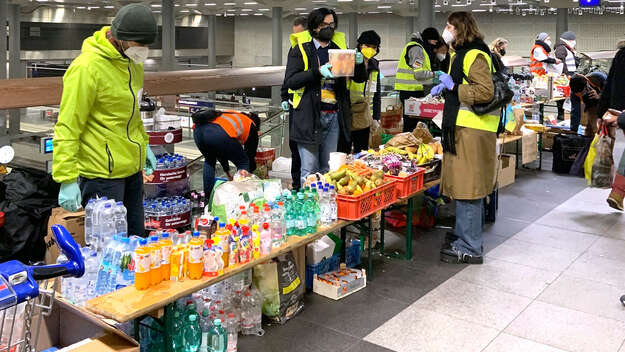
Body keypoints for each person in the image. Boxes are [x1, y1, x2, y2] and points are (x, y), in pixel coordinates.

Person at [52, 4, 157, 236]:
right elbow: (68, 126)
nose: (143, 49)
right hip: (102, 174)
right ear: (121, 38)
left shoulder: (132, 64)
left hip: (131, 170)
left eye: (146, 44)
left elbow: (133, 114)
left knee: (136, 241)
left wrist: (144, 145)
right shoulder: (87, 67)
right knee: (108, 251)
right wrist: (67, 178)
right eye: (139, 44)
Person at [430, 11, 497, 264]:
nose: (445, 30)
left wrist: (453, 87)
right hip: (462, 128)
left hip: (474, 129)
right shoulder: (459, 54)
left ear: (461, 29)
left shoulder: (475, 54)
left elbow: (485, 91)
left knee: (469, 187)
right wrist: (446, 88)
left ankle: (470, 246)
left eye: (450, 26)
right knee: (463, 184)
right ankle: (463, 234)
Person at [283, 7, 367, 185]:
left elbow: (359, 78)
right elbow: (291, 81)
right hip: (309, 116)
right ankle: (309, 208)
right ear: (314, 28)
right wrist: (317, 72)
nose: (329, 28)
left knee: (329, 169)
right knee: (309, 169)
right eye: (324, 25)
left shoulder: (339, 50)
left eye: (331, 24)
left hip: (334, 115)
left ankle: (325, 208)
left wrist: (359, 64)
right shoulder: (301, 50)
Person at [192, 109, 260, 197]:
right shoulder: (251, 124)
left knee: (209, 160)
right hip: (217, 132)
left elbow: (221, 151)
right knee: (243, 162)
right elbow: (250, 155)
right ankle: (241, 196)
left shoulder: (232, 114)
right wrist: (251, 174)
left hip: (198, 131)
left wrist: (228, 173)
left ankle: (208, 197)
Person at [396, 31, 445, 133]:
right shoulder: (417, 49)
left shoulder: (417, 48)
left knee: (415, 126)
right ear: (427, 40)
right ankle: (409, 146)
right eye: (433, 42)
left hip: (411, 91)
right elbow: (418, 74)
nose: (434, 45)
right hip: (410, 92)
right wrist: (435, 74)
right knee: (412, 127)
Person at [281, 16, 308, 189]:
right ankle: (297, 183)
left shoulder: (310, 49)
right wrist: (284, 97)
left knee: (304, 149)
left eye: (299, 34)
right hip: (294, 105)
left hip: (307, 107)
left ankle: (304, 184)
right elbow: (288, 77)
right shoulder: (295, 48)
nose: (296, 37)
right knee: (294, 146)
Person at [598, 39, 625, 211]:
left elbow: (608, 85)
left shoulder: (621, 55)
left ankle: (617, 192)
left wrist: (602, 112)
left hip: (618, 111)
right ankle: (617, 192)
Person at [348, 30, 382, 153]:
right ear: (360, 45)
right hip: (348, 112)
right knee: (345, 151)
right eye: (367, 46)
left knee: (361, 152)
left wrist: (376, 117)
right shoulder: (349, 60)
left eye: (374, 47)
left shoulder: (374, 65)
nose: (370, 49)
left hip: (365, 115)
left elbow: (376, 93)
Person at [569, 72, 607, 136]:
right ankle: (588, 139)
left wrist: (600, 96)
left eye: (582, 92)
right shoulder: (573, 92)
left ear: (587, 81)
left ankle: (598, 139)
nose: (580, 96)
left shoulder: (598, 77)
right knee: (589, 127)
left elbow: (609, 92)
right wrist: (573, 130)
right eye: (578, 94)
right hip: (590, 103)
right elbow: (575, 111)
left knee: (596, 127)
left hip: (601, 101)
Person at [555, 31, 580, 122]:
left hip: (569, 75)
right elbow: (561, 62)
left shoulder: (569, 49)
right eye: (573, 40)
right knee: (563, 95)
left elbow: (573, 63)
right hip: (565, 76)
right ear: (569, 40)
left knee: (566, 95)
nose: (574, 42)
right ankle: (561, 114)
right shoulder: (561, 48)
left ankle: (564, 114)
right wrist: (566, 74)